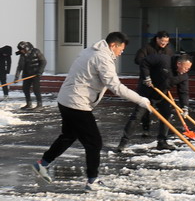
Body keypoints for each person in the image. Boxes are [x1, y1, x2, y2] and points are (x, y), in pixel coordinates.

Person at [31, 32, 151, 192]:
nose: (121, 52)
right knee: (94, 143)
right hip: (76, 103)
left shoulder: (91, 50)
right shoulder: (102, 58)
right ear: (113, 45)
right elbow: (115, 87)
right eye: (121, 49)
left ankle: (42, 164)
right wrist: (140, 99)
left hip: (66, 100)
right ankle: (92, 181)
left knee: (68, 135)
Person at [117, 53, 192, 152]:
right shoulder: (163, 60)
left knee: (166, 116)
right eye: (186, 68)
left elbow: (183, 92)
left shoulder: (183, 76)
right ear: (179, 64)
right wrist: (146, 77)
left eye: (188, 69)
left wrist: (185, 107)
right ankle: (123, 142)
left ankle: (162, 142)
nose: (187, 70)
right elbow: (145, 62)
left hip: (162, 94)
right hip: (146, 92)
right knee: (137, 116)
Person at [134, 31, 174, 137]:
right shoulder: (147, 48)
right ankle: (145, 128)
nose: (164, 43)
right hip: (147, 81)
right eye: (162, 41)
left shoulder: (169, 50)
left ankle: (165, 130)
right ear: (157, 39)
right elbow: (138, 60)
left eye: (166, 41)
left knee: (165, 107)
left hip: (162, 82)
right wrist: (151, 64)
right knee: (146, 106)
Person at [14, 41, 47, 110]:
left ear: (26, 48)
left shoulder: (36, 51)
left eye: (22, 49)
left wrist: (39, 72)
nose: (21, 51)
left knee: (36, 89)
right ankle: (28, 104)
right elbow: (19, 67)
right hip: (26, 74)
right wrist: (16, 77)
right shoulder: (22, 55)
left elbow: (43, 62)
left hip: (35, 74)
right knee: (25, 89)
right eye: (20, 50)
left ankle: (39, 104)